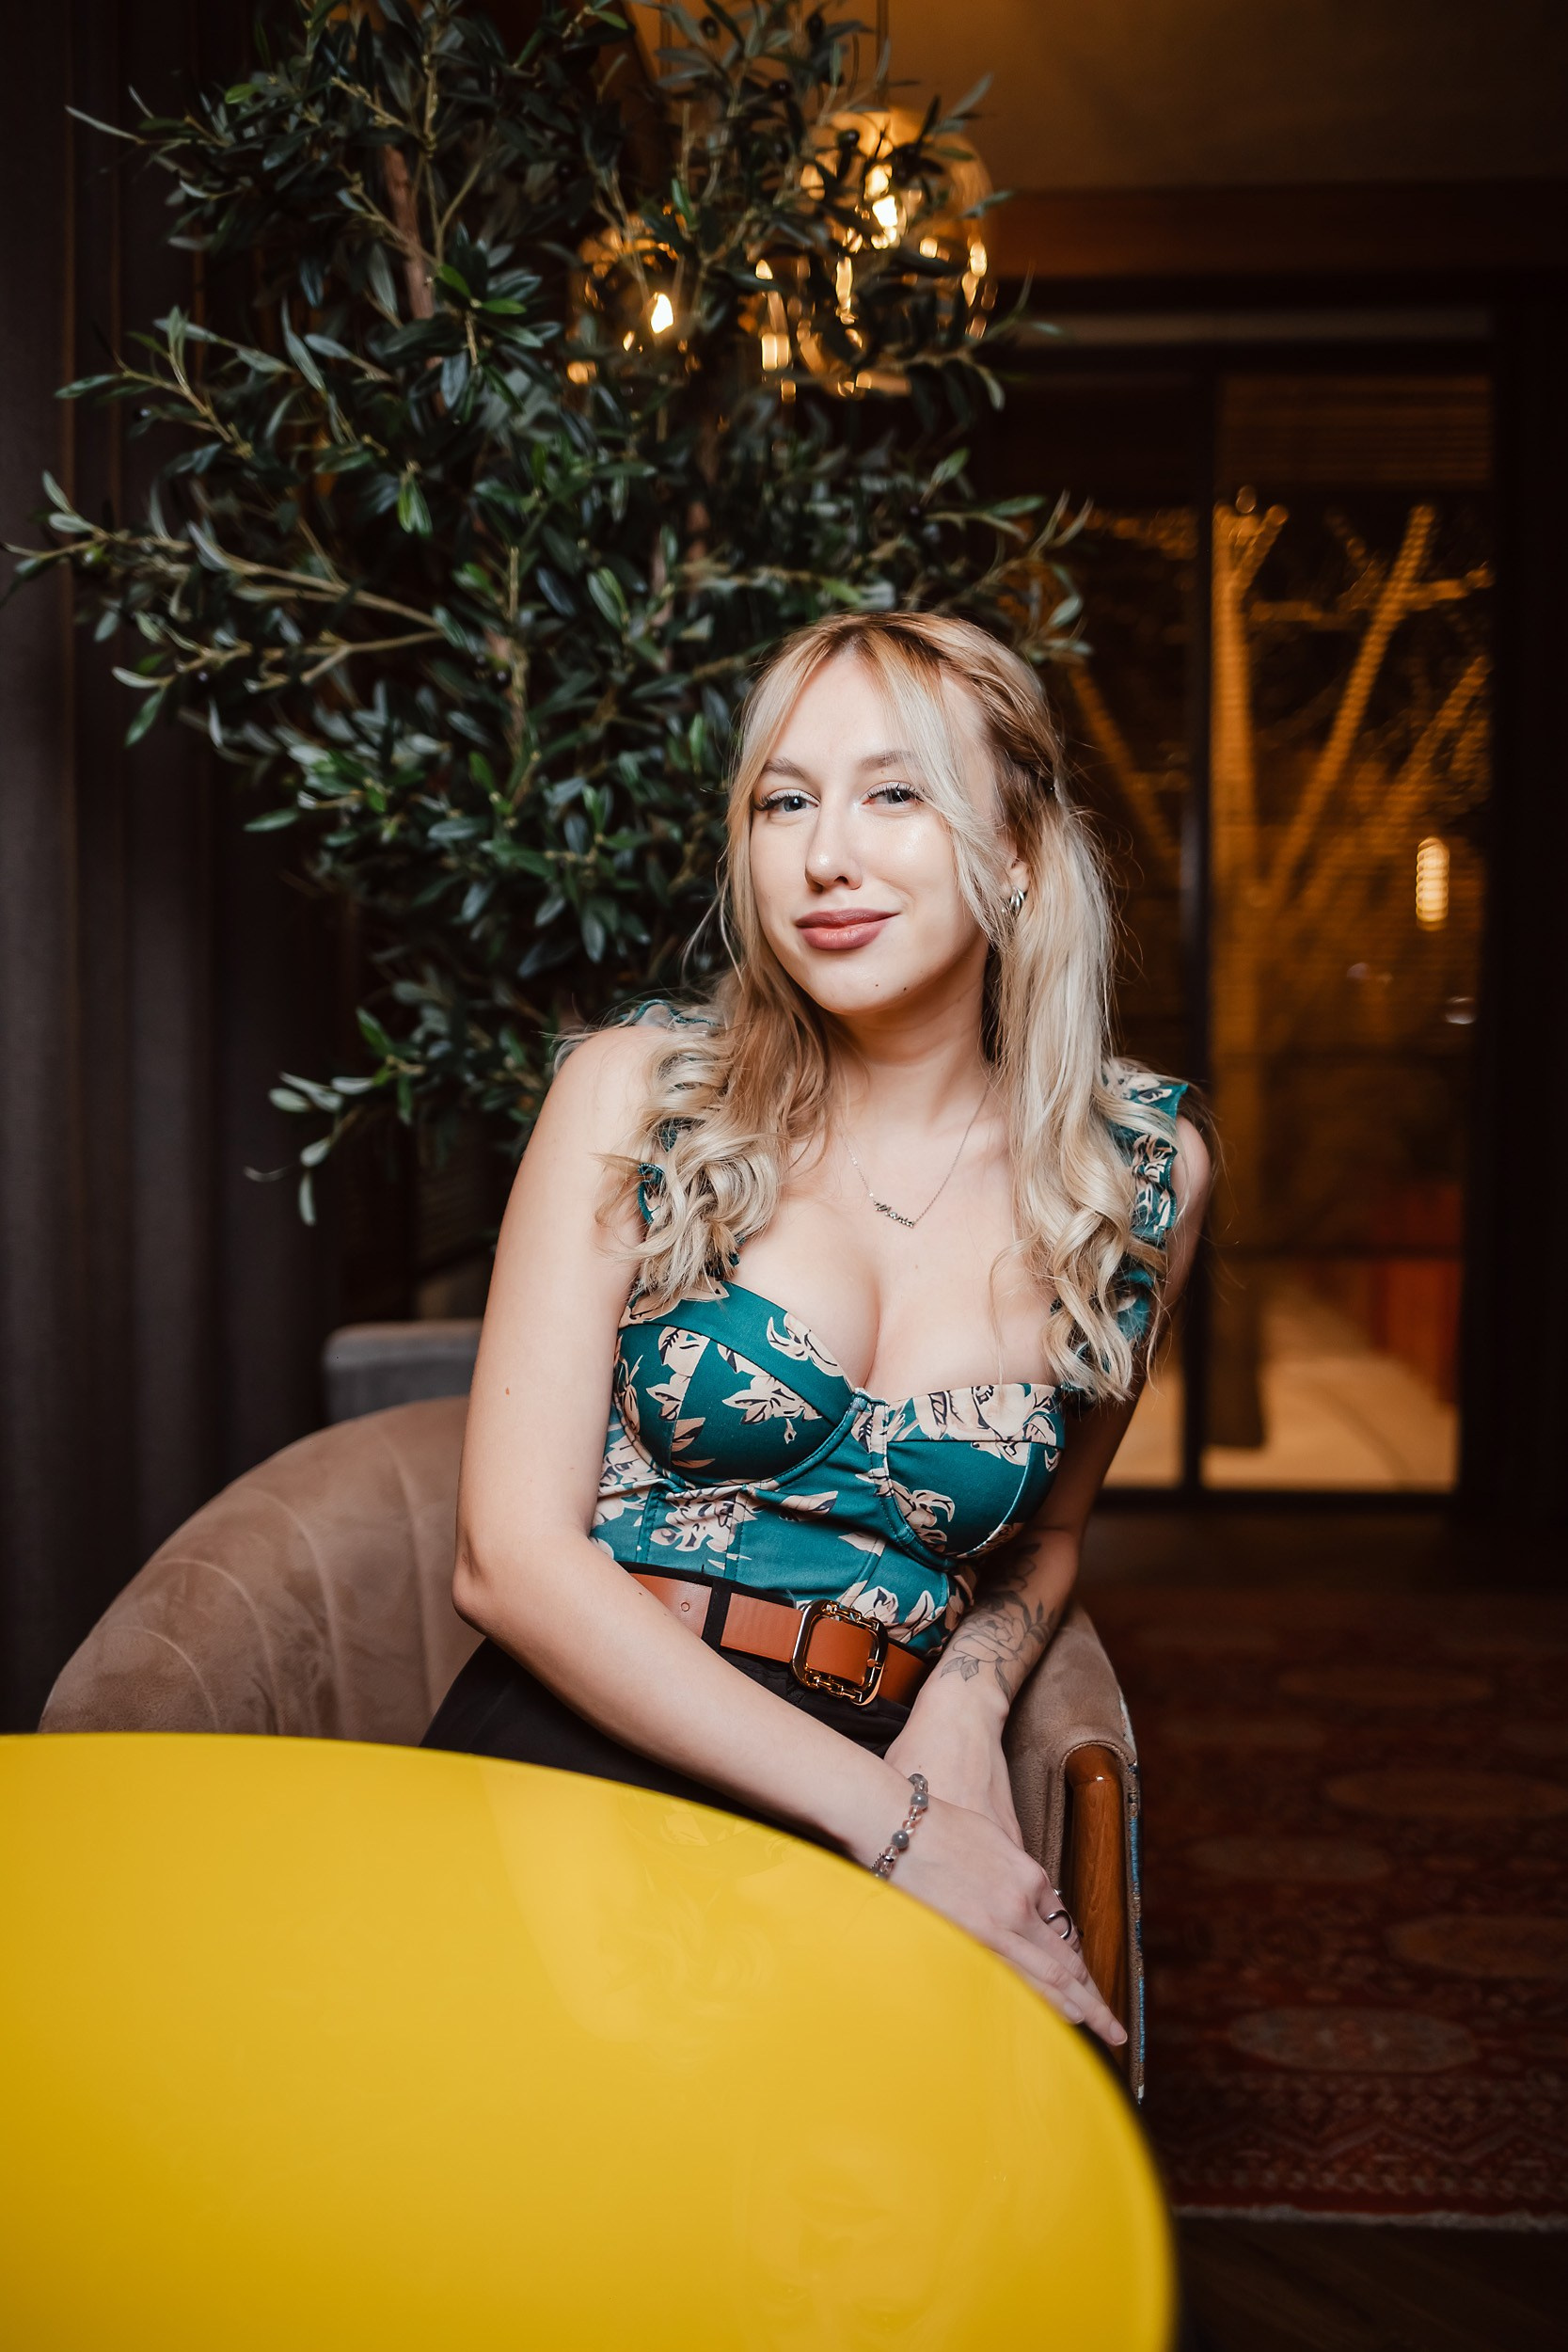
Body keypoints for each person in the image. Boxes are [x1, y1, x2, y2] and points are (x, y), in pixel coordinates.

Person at [423, 610, 1211, 2050]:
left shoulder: (1139, 1175)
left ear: (1018, 853)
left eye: (894, 793)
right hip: (589, 1743)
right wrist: (900, 1830)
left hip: (893, 1746)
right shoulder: (639, 1095)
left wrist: (960, 1714)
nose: (825, 855)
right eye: (784, 802)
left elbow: (1046, 1536)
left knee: (916, 2168)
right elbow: (507, 1560)